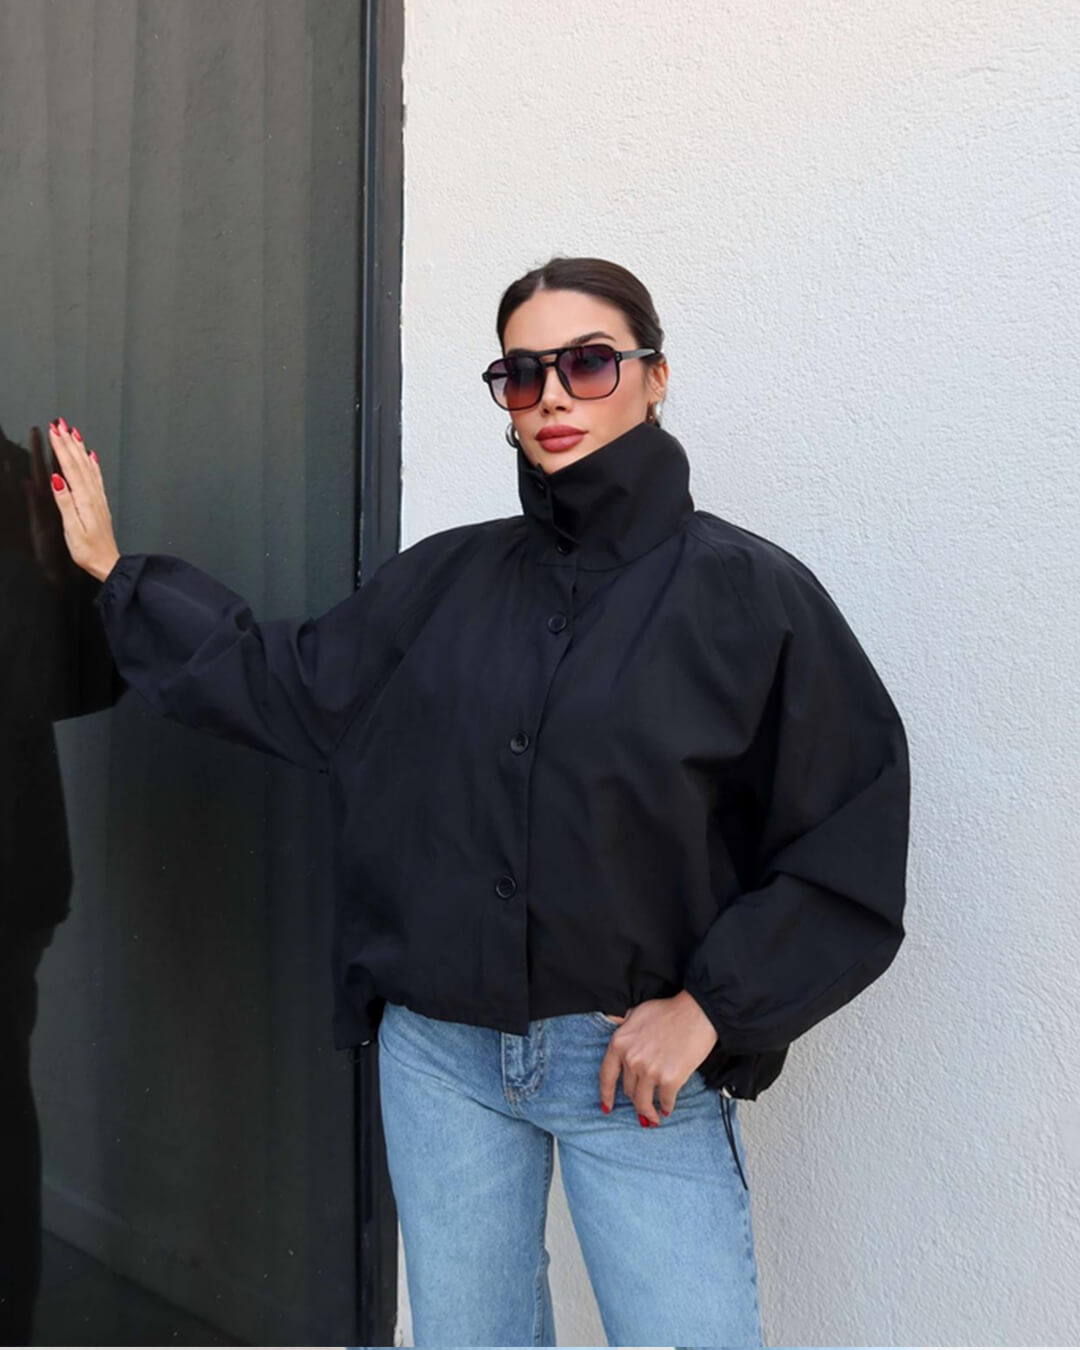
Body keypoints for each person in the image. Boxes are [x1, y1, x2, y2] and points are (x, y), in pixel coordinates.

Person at [47, 255, 910, 1349]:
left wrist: (709, 1008)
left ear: (655, 377)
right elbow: (288, 683)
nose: (552, 395)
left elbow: (849, 829)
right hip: (441, 1059)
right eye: (522, 372)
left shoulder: (750, 598)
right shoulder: (446, 582)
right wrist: (117, 572)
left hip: (629, 1071)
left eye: (588, 363)